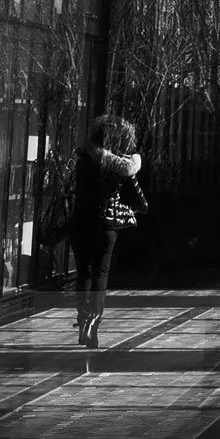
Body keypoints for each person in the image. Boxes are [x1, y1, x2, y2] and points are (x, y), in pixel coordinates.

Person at [73, 114, 145, 349]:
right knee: (100, 275)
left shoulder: (83, 157)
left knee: (83, 272)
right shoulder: (123, 166)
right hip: (106, 225)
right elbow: (140, 202)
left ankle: (82, 318)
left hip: (81, 221)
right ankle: (92, 327)